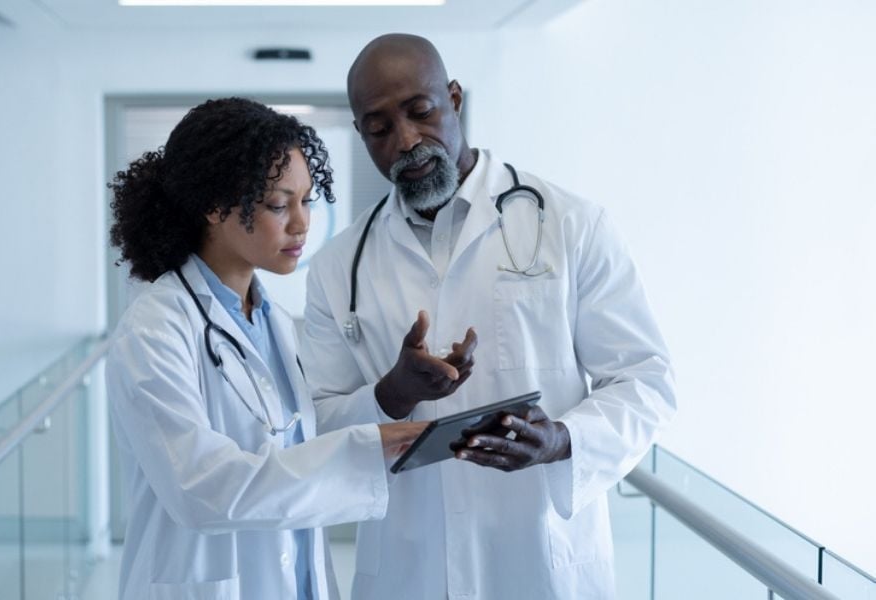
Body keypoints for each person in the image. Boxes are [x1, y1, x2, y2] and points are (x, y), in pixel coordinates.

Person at [301, 34, 677, 599]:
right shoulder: (338, 267)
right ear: (361, 136)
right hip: (410, 567)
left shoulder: (572, 226)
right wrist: (390, 394)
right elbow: (317, 422)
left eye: (420, 111)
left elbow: (645, 379)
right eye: (379, 129)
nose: (405, 141)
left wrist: (565, 439)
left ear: (453, 98)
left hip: (542, 559)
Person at [106, 97, 437, 600]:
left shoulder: (272, 321)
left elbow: (294, 444)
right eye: (280, 205)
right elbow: (202, 488)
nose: (302, 224)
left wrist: (391, 398)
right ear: (216, 207)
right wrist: (364, 452)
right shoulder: (155, 330)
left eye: (307, 201)